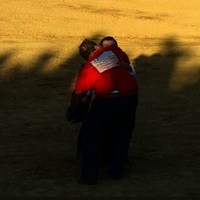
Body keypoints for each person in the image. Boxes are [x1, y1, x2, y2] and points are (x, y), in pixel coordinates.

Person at [67, 39, 138, 185]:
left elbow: (78, 93)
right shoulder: (113, 51)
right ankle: (116, 171)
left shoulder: (87, 68)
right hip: (130, 96)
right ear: (97, 46)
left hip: (107, 100)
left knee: (92, 135)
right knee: (123, 132)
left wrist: (74, 109)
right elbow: (125, 62)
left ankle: (89, 176)